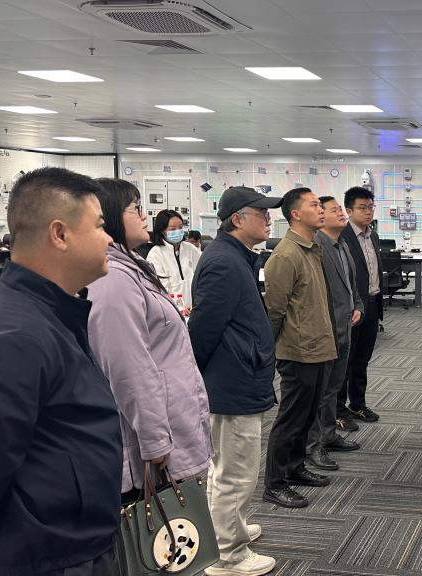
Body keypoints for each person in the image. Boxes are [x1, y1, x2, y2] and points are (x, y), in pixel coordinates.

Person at [0, 167, 121, 575]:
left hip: (71, 543)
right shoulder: (14, 333)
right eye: (100, 226)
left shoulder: (49, 311)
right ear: (60, 234)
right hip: (44, 554)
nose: (110, 239)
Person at [86, 179, 212, 507]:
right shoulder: (113, 280)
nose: (145, 217)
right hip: (151, 443)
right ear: (107, 217)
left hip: (168, 424)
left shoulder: (132, 268)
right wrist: (155, 441)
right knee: (160, 526)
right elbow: (129, 370)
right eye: (136, 209)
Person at [188, 186, 281, 576]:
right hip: (232, 382)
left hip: (238, 376)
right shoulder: (225, 262)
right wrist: (198, 381)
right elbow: (203, 330)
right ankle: (228, 555)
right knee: (236, 473)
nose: (269, 219)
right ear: (238, 219)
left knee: (227, 466)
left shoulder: (235, 256)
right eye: (262, 214)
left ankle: (225, 531)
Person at [262, 188, 338, 508]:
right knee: (291, 418)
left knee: (307, 416)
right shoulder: (285, 255)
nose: (321, 210)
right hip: (297, 351)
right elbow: (275, 311)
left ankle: (295, 468)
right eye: (314, 205)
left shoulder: (312, 248)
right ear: (295, 214)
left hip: (319, 346)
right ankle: (275, 483)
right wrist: (271, 354)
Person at [307, 196, 364, 471]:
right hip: (325, 329)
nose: (341, 213)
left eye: (341, 209)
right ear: (321, 217)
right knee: (320, 392)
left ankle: (328, 435)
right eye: (334, 210)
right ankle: (313, 445)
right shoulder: (316, 247)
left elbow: (351, 283)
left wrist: (358, 305)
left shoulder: (342, 244)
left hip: (345, 327)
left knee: (333, 388)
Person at [339, 186, 383, 425]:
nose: (368, 212)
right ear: (349, 210)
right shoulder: (341, 237)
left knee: (362, 360)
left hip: (373, 304)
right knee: (345, 361)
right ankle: (338, 409)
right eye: (362, 208)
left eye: (371, 207)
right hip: (353, 309)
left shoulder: (372, 235)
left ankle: (357, 404)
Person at [146, 209, 202, 314]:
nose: (178, 231)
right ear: (162, 231)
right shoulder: (155, 254)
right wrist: (179, 308)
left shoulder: (190, 249)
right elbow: (160, 290)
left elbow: (203, 275)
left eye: (180, 227)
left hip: (194, 309)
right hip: (171, 312)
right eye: (172, 229)